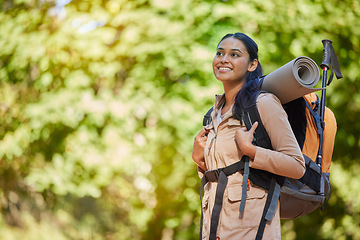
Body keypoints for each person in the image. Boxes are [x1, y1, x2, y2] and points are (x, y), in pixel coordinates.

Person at [192, 33, 306, 240]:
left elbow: (296, 165)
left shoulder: (263, 103)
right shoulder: (213, 114)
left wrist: (251, 151)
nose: (224, 59)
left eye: (234, 54)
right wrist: (199, 160)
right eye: (220, 53)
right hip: (213, 231)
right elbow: (224, 174)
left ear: (252, 65)